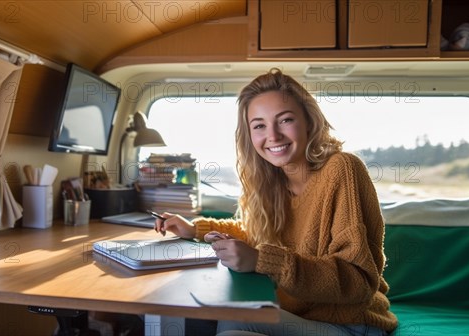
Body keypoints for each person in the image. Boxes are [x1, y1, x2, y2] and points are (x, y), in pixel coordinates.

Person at [153, 68, 398, 336]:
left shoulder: (342, 169)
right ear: (249, 135)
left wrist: (261, 261)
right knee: (218, 317)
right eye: (259, 125)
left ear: (309, 121)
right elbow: (256, 233)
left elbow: (358, 280)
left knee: (234, 321)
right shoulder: (275, 183)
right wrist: (195, 230)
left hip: (350, 323)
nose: (273, 136)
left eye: (285, 120)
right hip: (297, 315)